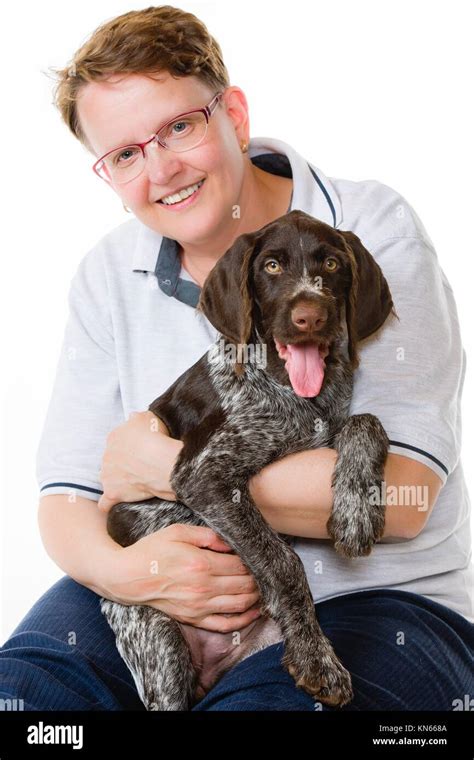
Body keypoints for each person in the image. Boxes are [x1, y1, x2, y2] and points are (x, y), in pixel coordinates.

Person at [0, 5, 472, 712]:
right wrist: (140, 577)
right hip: (151, 581)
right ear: (107, 173)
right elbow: (67, 502)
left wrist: (157, 468)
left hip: (370, 597)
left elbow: (397, 501)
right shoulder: (107, 273)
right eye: (126, 154)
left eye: (179, 127)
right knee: (23, 701)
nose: (161, 168)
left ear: (235, 116)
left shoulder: (367, 228)